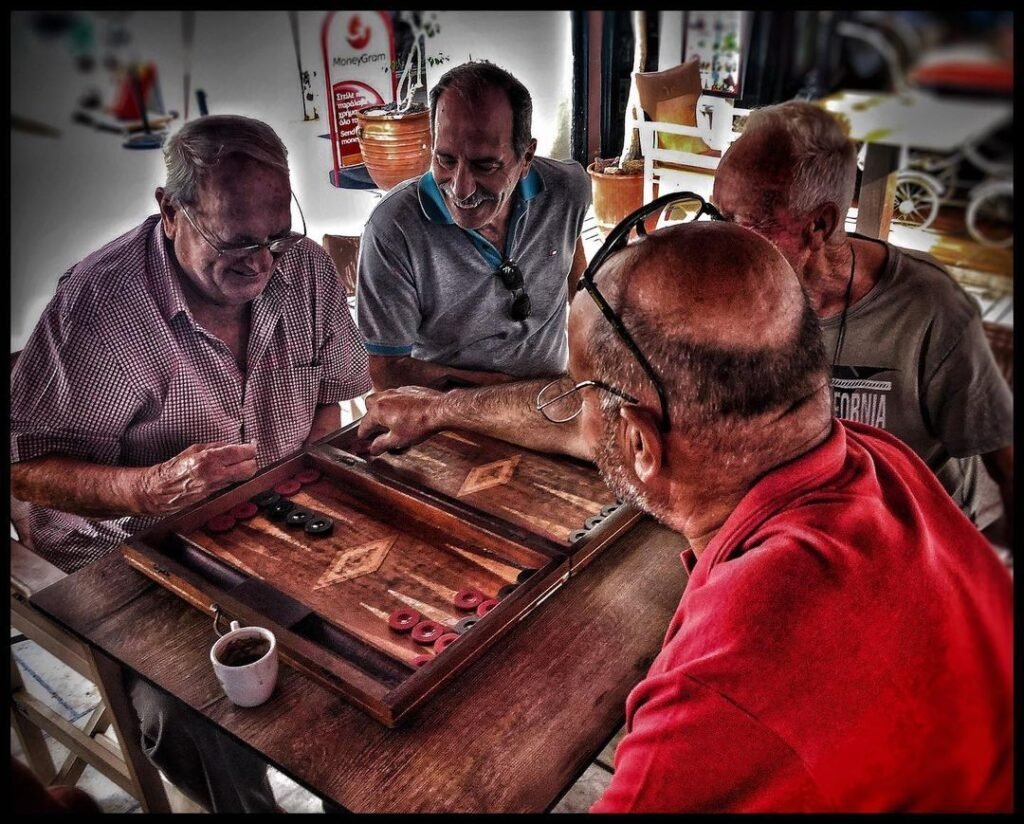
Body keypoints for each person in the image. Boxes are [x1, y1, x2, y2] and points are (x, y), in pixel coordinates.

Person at [355, 216, 1012, 811]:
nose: (574, 410)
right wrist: (440, 409)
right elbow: (586, 427)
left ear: (642, 443)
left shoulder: (719, 688)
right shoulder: (880, 460)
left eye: (582, 394)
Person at [10, 114, 371, 813]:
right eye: (237, 242)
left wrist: (315, 480)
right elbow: (22, 467)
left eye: (276, 236)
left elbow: (332, 395)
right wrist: (147, 488)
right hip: (126, 548)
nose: (264, 263)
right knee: (195, 717)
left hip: (265, 519)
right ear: (169, 211)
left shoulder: (304, 270)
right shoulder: (99, 309)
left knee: (370, 655)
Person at [710, 99, 1014, 548]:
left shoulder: (930, 309)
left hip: (917, 534)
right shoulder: (737, 292)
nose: (719, 241)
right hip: (802, 523)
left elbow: (1003, 456)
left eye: (740, 222)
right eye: (716, 215)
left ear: (819, 224)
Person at [355, 60, 591, 390]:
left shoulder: (567, 189)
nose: (461, 187)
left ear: (525, 159)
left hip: (552, 401)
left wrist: (588, 373)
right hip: (447, 418)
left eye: (484, 165)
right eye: (445, 159)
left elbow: (579, 283)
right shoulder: (393, 230)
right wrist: (508, 395)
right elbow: (387, 371)